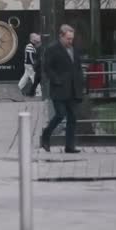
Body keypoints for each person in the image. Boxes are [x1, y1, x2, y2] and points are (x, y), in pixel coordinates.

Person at [41, 25, 84, 154]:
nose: (70, 41)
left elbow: (77, 67)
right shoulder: (52, 49)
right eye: (68, 39)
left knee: (72, 117)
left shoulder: (74, 49)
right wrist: (56, 80)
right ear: (61, 36)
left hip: (73, 88)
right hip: (59, 89)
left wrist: (81, 83)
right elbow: (47, 67)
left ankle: (69, 146)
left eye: (72, 39)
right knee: (60, 114)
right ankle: (46, 135)